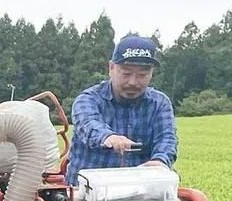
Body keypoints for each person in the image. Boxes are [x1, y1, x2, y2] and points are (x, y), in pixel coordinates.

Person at [65, 35, 177, 185]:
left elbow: (166, 138)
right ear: (111, 68)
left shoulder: (160, 103)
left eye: (142, 75)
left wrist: (159, 161)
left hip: (141, 188)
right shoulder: (88, 99)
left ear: (151, 73)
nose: (133, 82)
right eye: (126, 74)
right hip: (87, 190)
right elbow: (88, 123)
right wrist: (109, 137)